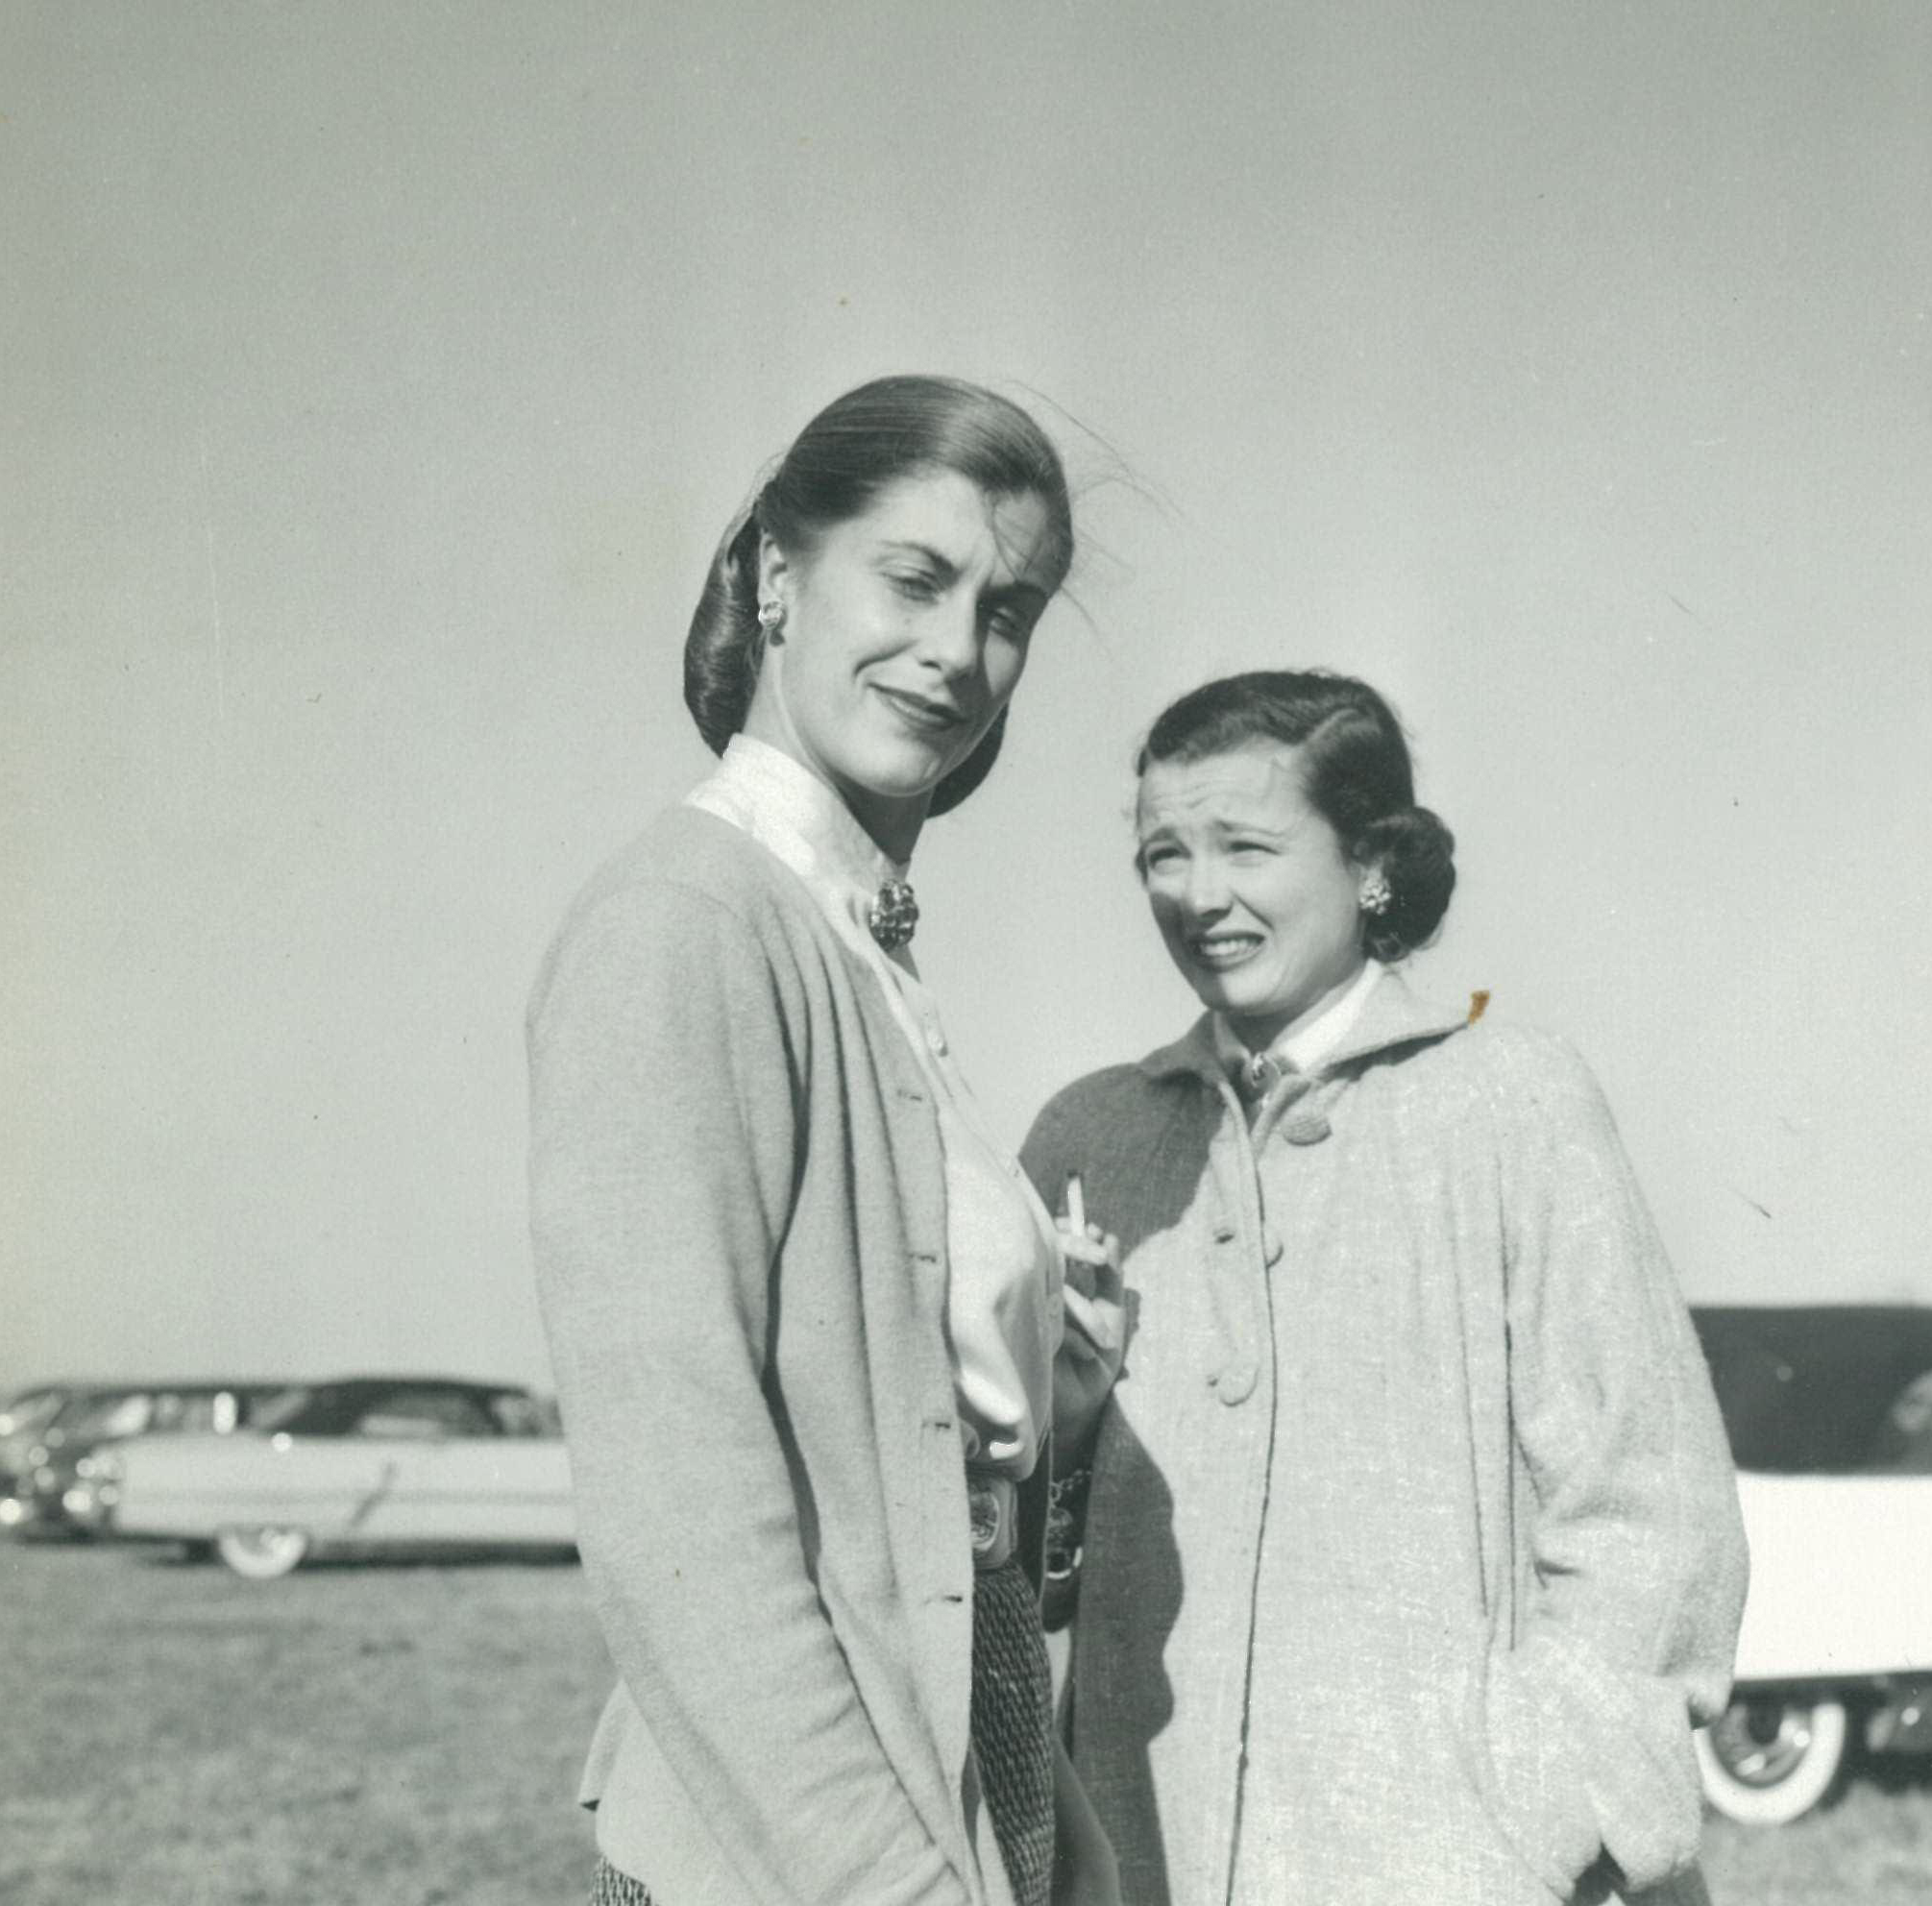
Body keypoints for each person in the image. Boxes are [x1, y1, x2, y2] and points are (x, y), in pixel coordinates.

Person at [527, 375, 1119, 1906]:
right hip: (806, 1845)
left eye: (1005, 612)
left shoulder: (851, 934)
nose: (956, 651)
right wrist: (881, 1886)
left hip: (962, 1763)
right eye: (912, 578)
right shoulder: (688, 921)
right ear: (775, 575)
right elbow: (679, 1514)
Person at [1022, 671, 1748, 1906]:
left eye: (1245, 846)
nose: (1197, 894)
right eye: (1162, 854)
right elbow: (1009, 1565)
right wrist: (1066, 1431)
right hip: (1145, 1866)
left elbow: (1651, 1519)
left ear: (1370, 863)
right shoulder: (1086, 1139)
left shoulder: (1511, 1102)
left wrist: (1529, 1826)